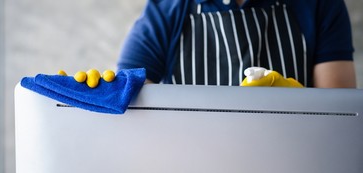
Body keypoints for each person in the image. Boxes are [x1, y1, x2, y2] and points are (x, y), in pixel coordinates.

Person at [117, 0, 356, 88]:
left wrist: (298, 104)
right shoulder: (166, 9)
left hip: (294, 170)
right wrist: (109, 95)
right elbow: (132, 99)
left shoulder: (320, 5)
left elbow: (341, 119)